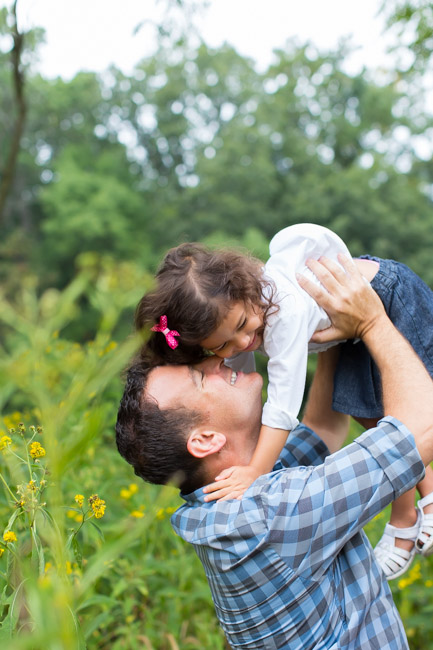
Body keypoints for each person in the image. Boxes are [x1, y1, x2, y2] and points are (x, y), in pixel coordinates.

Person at [116, 255, 433, 650]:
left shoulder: (237, 490)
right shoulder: (269, 516)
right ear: (205, 440)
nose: (218, 361)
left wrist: (322, 326)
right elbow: (422, 424)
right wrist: (371, 321)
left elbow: (322, 428)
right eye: (201, 375)